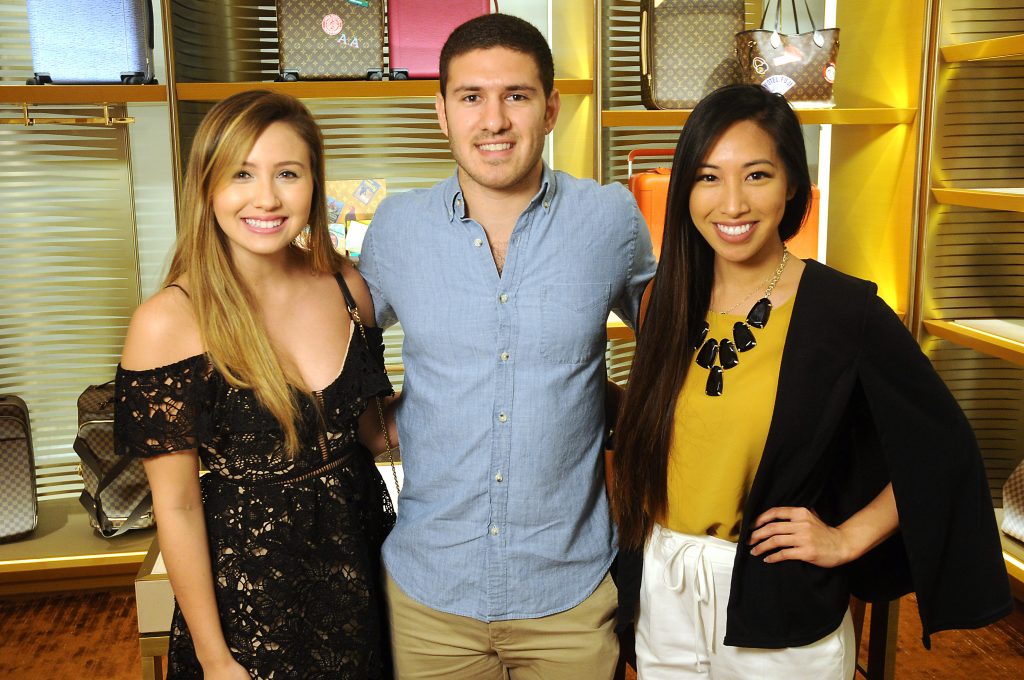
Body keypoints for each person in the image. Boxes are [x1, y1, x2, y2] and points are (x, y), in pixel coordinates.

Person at [611, 83, 1013, 679]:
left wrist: (847, 538)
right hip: (663, 587)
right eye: (707, 177)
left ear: (793, 184)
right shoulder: (664, 302)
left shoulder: (842, 311)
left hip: (778, 599)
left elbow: (942, 446)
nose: (732, 204)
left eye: (756, 175)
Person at [357, 13, 657, 680]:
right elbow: (336, 346)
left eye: (515, 96)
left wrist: (616, 409)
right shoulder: (398, 227)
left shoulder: (608, 217)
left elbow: (681, 341)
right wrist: (380, 424)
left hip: (570, 596)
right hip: (428, 595)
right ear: (442, 112)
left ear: (549, 110)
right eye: (471, 97)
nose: (493, 120)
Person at [114, 90, 396, 680]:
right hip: (254, 609)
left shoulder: (347, 285)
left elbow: (374, 435)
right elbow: (179, 505)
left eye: (287, 173)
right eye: (242, 174)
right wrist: (217, 659)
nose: (266, 198)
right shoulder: (168, 322)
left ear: (314, 184)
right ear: (207, 186)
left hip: (365, 576)